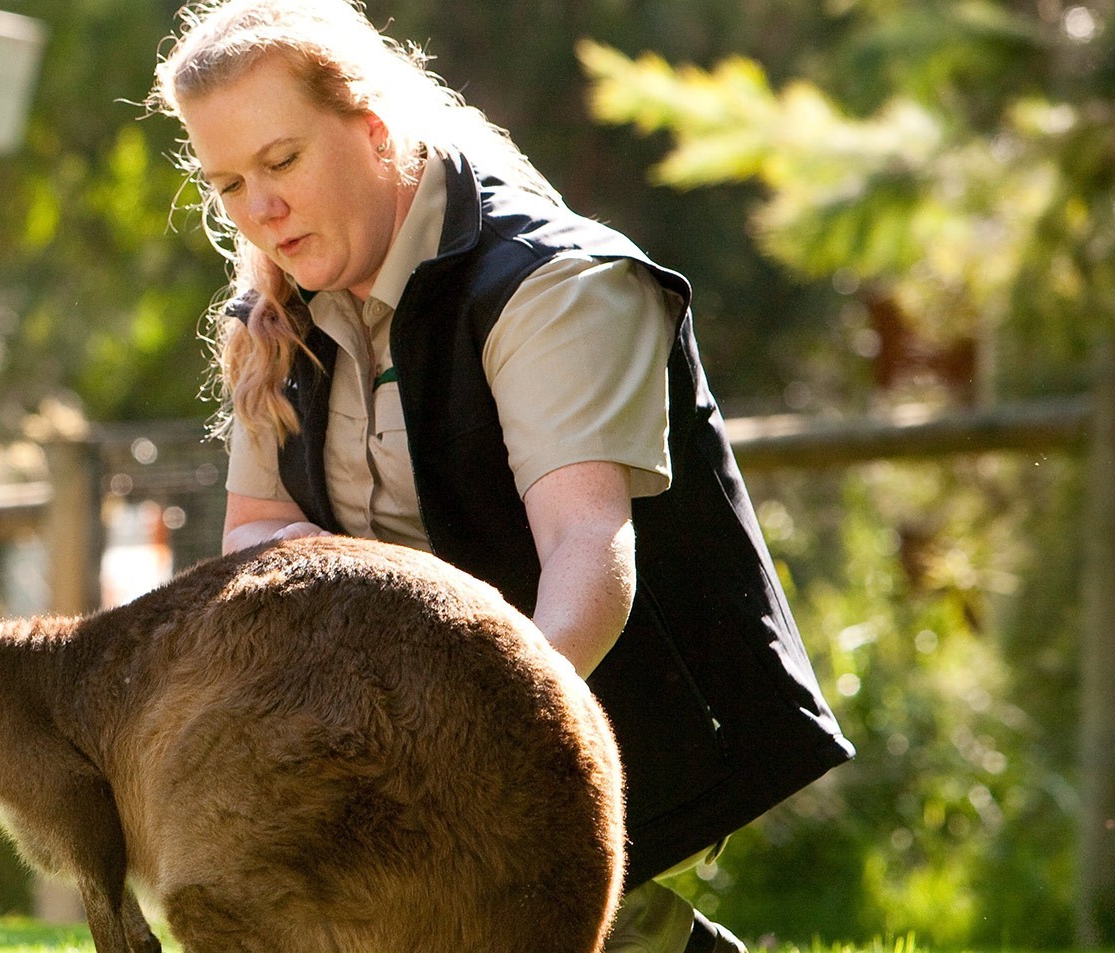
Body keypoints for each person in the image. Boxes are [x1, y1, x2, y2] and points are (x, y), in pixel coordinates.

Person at [149, 2, 854, 951]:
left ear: (373, 130)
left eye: (282, 162)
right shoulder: (272, 315)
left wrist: (470, 760)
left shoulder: (549, 283)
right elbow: (251, 536)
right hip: (398, 738)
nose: (259, 210)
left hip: (621, 709)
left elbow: (587, 551)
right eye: (228, 182)